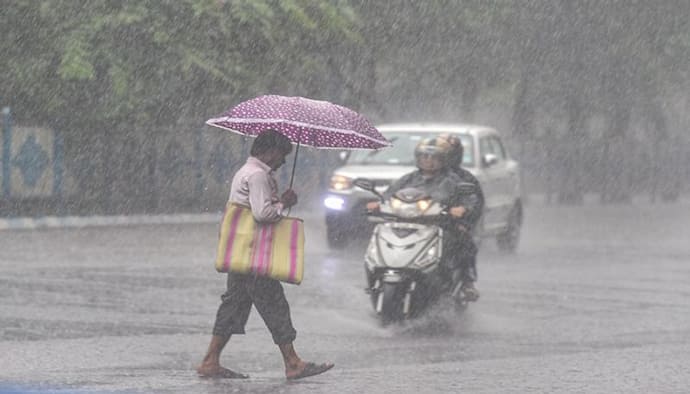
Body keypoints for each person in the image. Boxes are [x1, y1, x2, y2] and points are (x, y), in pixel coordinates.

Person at [197, 129, 334, 380]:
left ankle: (210, 361)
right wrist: (284, 204)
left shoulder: (245, 171)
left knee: (234, 306)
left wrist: (279, 200)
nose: (283, 161)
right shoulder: (258, 175)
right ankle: (293, 363)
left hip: (242, 253)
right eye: (282, 155)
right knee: (274, 304)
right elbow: (262, 214)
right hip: (254, 254)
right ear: (269, 151)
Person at [366, 137, 482, 300]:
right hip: (405, 223)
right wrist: (379, 204)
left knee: (463, 241)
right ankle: (379, 270)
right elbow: (389, 195)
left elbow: (470, 199)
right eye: (424, 157)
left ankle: (466, 283)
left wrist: (462, 208)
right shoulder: (408, 179)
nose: (429, 161)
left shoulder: (453, 180)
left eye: (434, 158)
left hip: (439, 224)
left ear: (444, 160)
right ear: (417, 158)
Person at [437, 133, 485, 301]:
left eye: (446, 153)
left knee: (465, 244)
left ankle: (467, 282)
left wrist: (463, 213)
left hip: (451, 224)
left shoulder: (465, 178)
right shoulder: (419, 175)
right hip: (422, 222)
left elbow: (476, 202)